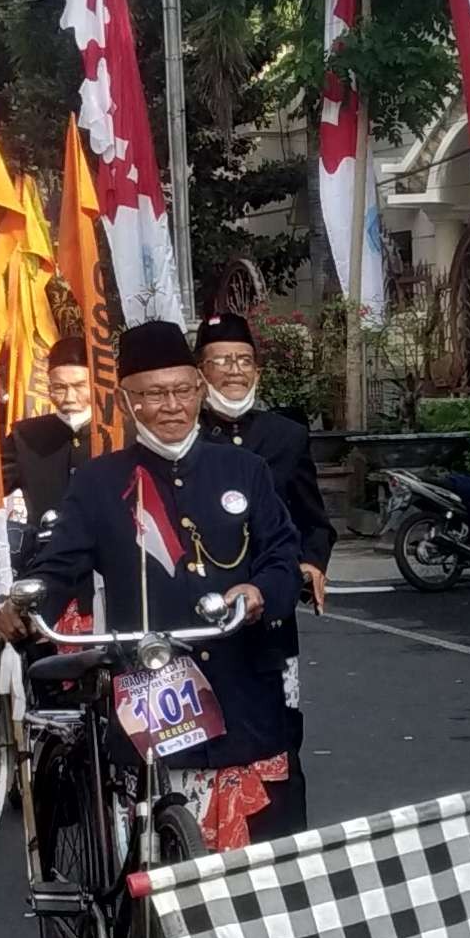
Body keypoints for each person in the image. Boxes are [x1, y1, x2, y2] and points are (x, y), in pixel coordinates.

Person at [19, 320, 308, 848]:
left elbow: (283, 555)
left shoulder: (244, 470)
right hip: (151, 689)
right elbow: (59, 565)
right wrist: (28, 600)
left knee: (267, 859)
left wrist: (260, 591)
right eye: (154, 394)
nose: (171, 406)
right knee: (147, 853)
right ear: (128, 403)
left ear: (200, 389)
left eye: (182, 390)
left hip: (244, 684)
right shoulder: (100, 481)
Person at [199, 312, 336, 833]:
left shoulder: (287, 435)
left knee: (280, 732)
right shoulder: (185, 436)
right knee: (207, 731)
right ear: (200, 370)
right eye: (220, 361)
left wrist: (310, 562)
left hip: (271, 614)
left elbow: (313, 521)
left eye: (243, 360)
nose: (234, 371)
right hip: (201, 608)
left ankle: (284, 847)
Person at [4, 349, 97, 521]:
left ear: (94, 385)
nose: (69, 397)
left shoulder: (121, 434)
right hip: (45, 543)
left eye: (79, 386)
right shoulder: (24, 436)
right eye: (60, 388)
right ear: (48, 389)